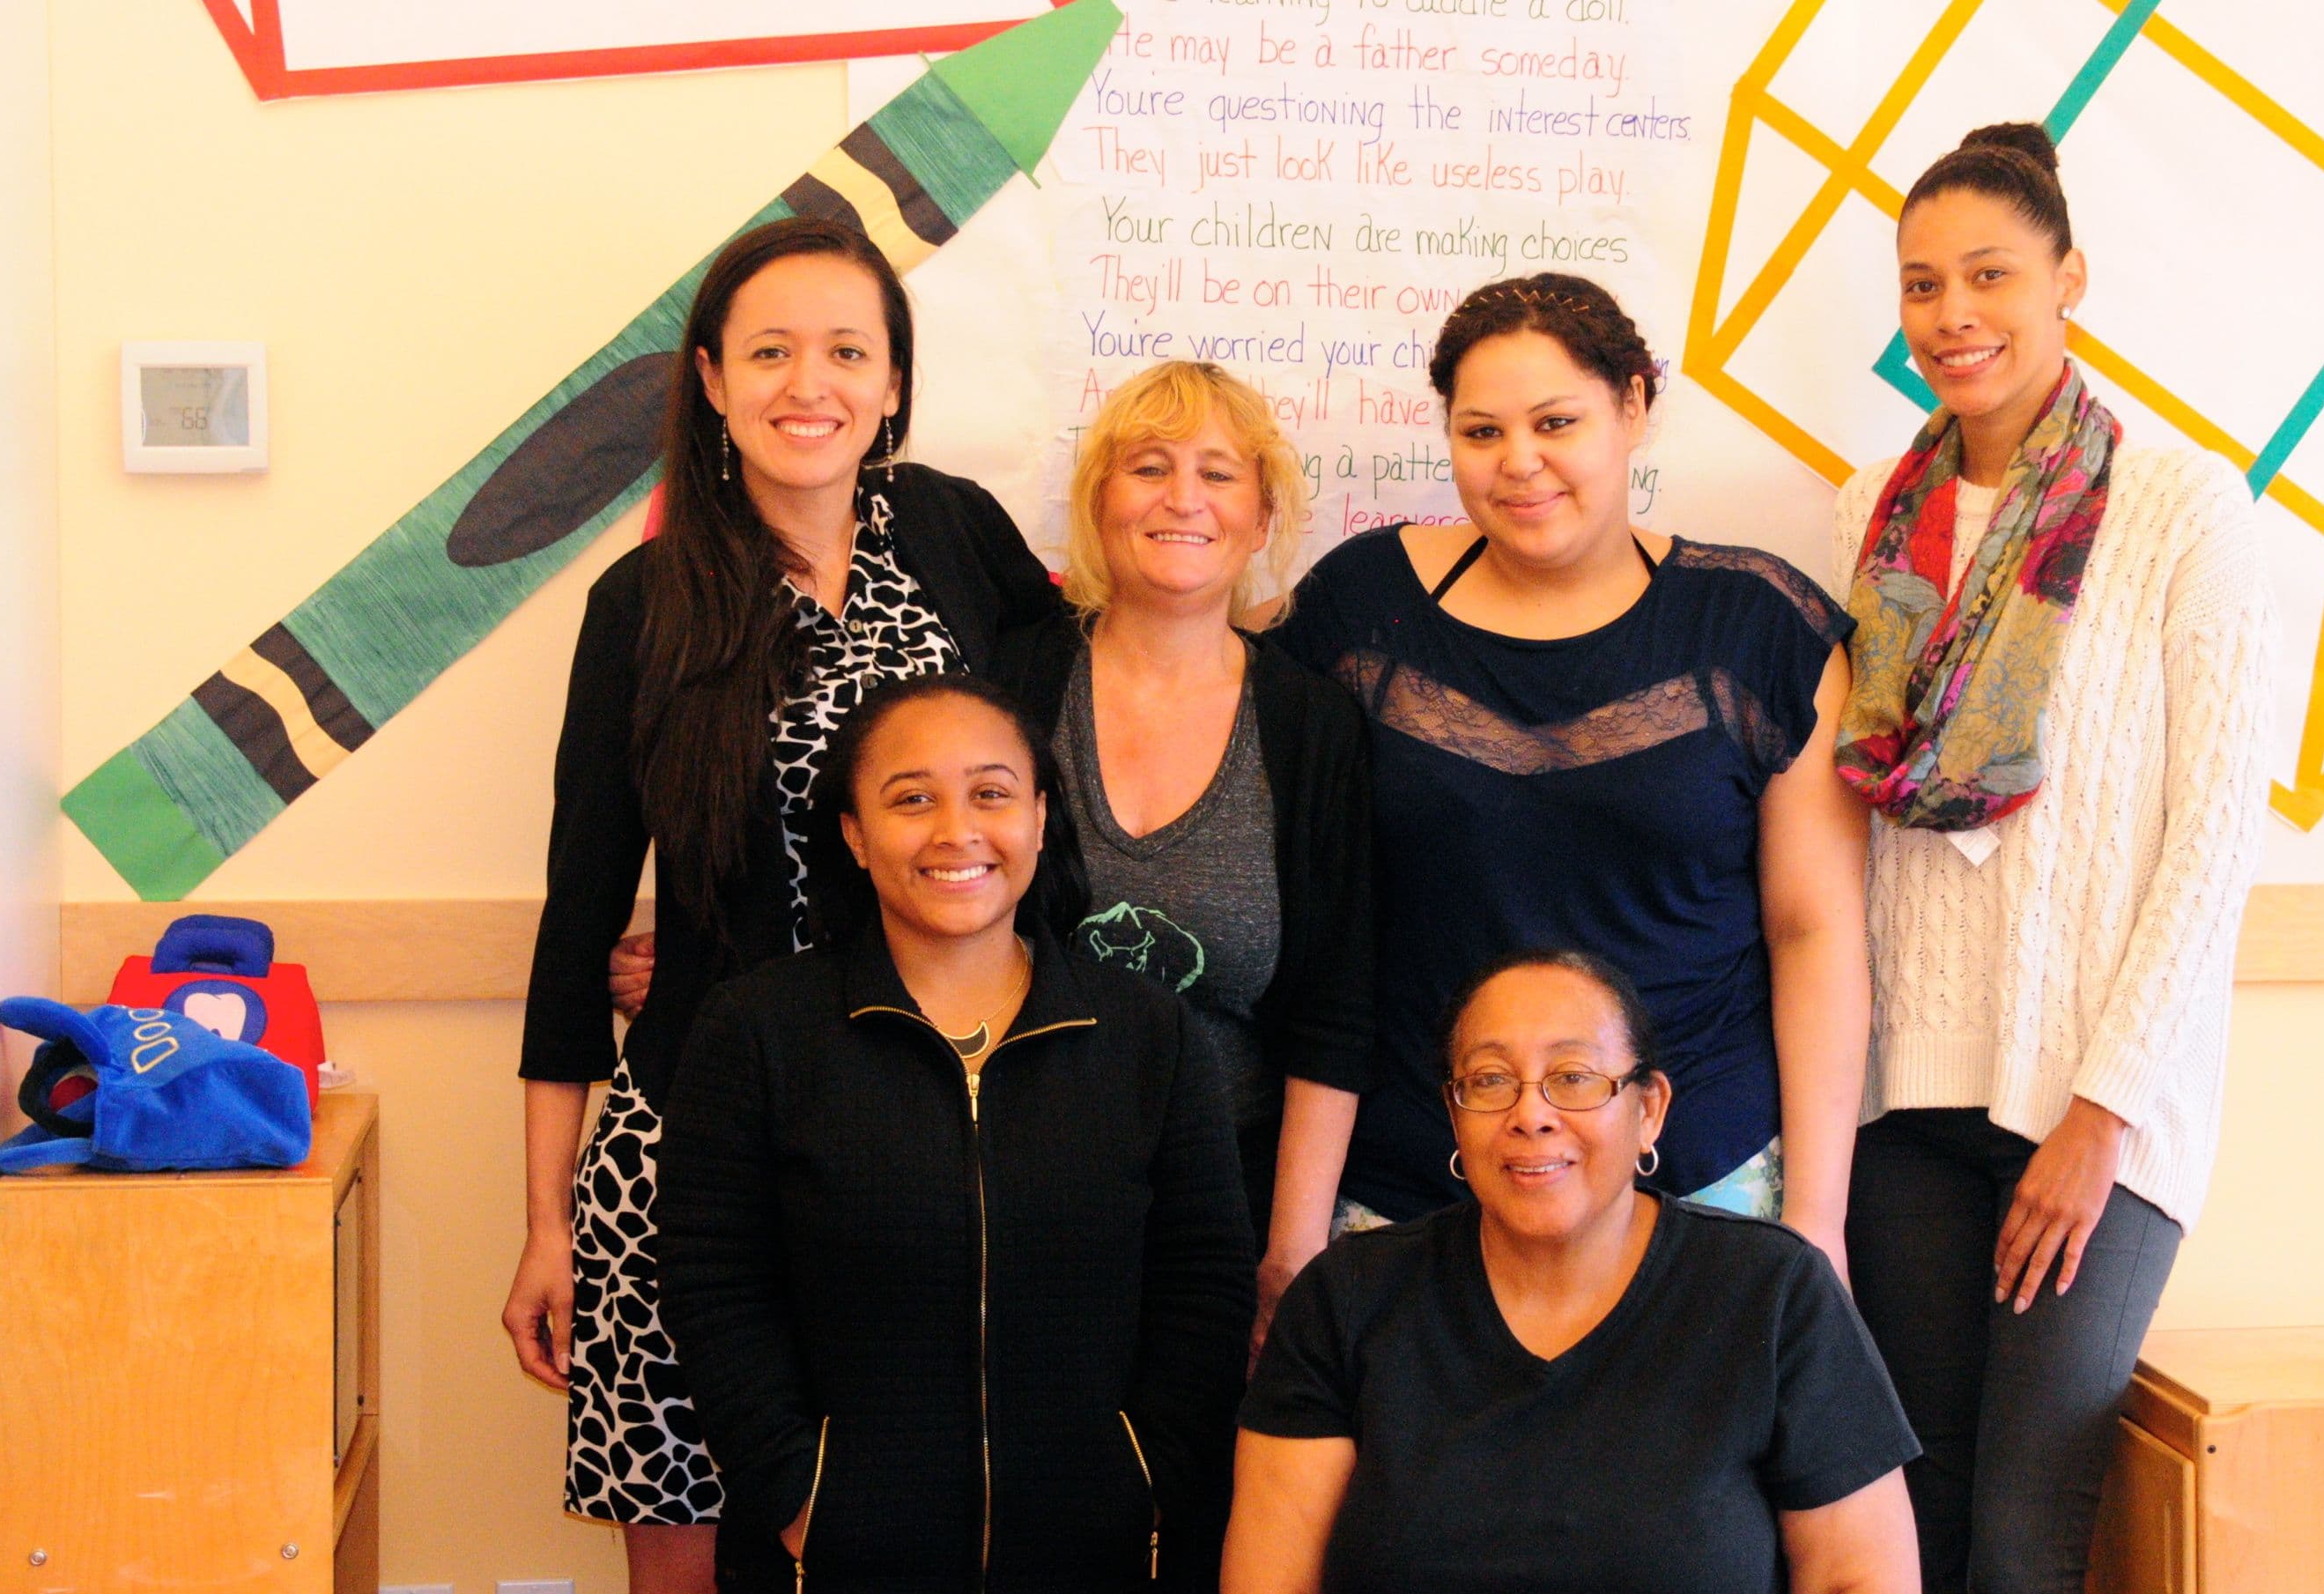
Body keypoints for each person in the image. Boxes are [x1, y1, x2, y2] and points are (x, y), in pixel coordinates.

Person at [500, 215, 1060, 1583]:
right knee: (693, 1554)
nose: (809, 384)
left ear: (893, 381)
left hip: (924, 1141)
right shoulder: (645, 605)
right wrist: (546, 1223)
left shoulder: (955, 532)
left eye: (847, 352)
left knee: (901, 1536)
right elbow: (577, 925)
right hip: (692, 1140)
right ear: (709, 379)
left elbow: (1050, 760)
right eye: (769, 352)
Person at [1831, 124, 2275, 1593]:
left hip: (2096, 1101)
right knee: (1917, 1515)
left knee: (2028, 1532)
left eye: (1989, 275)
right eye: (1921, 284)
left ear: (2067, 278)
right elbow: (1849, 817)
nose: (1951, 314)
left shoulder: (2183, 507)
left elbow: (2213, 835)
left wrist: (2101, 1115)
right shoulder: (1866, 514)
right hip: (1904, 1097)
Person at [1269, 275, 1870, 1284]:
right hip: (1412, 1188)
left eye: (1556, 422)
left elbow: (1814, 932)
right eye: (1481, 432)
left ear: (1634, 407)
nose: (1519, 462)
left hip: (1705, 1192)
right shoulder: (1357, 612)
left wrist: (1817, 1219)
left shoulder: (1760, 628)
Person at [658, 673, 1255, 1591]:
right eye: (911, 799)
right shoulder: (757, 1030)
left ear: (1041, 818)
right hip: (833, 1558)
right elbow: (714, 1289)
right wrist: (800, 1497)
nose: (956, 830)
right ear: (854, 834)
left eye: (991, 793)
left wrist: (1146, 1479)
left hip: (1100, 1553)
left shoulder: (1147, 1033)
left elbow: (1205, 1284)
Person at [1227, 950, 1923, 1594]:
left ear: (1649, 1109)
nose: (1531, 1114)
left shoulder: (1773, 1290)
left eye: (1573, 1077)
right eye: (1490, 1080)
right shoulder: (1346, 1298)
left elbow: (1859, 1575)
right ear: (1454, 1114)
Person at [997, 361, 1373, 1348]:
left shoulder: (1312, 726)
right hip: (1000, 1184)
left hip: (1224, 1206)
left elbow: (1335, 1008)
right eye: (1149, 467)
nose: (1182, 498)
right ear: (1099, 502)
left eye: (1218, 473)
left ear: (1261, 517)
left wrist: (1290, 1254)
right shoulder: (1013, 680)